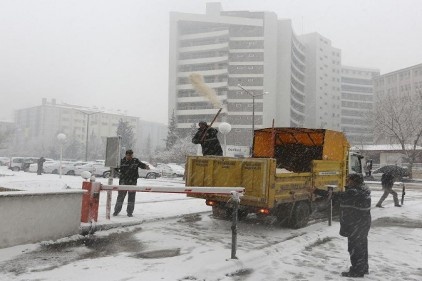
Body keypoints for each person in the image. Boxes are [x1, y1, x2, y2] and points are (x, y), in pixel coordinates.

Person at [339, 173, 371, 278]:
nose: (347, 181)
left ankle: (357, 271)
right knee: (361, 246)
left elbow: (339, 196)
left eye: (349, 180)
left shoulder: (355, 192)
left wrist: (316, 191)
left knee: (355, 247)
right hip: (362, 223)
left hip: (356, 223)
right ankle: (363, 268)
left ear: (354, 181)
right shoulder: (363, 190)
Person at [113, 149, 149, 217]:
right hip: (123, 182)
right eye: (128, 155)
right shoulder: (121, 161)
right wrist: (119, 174)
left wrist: (145, 166)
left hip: (132, 182)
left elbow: (141, 165)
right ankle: (116, 211)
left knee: (131, 198)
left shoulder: (135, 161)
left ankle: (130, 212)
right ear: (126, 155)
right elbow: (115, 169)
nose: (130, 156)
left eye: (131, 155)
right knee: (120, 197)